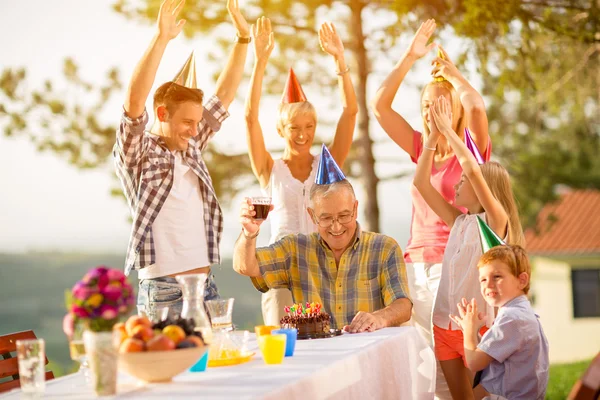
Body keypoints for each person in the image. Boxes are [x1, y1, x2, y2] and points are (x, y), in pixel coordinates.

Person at [371, 18, 491, 398]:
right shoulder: (420, 148)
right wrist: (410, 56)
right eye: (426, 105)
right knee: (426, 359)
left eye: (440, 106)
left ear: (453, 110)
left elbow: (475, 105)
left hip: (453, 266)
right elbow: (379, 106)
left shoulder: (469, 150)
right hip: (416, 265)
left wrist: (453, 76)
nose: (430, 112)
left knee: (455, 356)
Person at [113, 0, 250, 321]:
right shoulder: (140, 153)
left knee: (218, 367)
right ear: (162, 113)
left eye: (197, 121)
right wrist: (161, 39)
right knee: (169, 369)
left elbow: (225, 96)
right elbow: (133, 102)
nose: (195, 129)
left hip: (206, 287)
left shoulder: (189, 146)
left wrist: (243, 41)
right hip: (163, 292)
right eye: (187, 122)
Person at [244, 17, 358, 325]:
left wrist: (340, 60)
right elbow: (250, 117)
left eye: (309, 127)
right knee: (282, 344)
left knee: (324, 340)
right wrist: (260, 62)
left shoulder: (327, 163)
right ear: (282, 129)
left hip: (321, 265)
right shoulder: (270, 168)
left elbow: (350, 112)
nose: (303, 134)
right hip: (279, 267)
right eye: (295, 127)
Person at [413, 95, 524, 399]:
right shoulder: (458, 222)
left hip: (479, 328)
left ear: (479, 189)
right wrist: (433, 137)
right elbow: (421, 183)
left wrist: (450, 131)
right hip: (444, 324)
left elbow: (474, 170)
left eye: (462, 181)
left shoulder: (494, 223)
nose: (456, 186)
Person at [233, 147, 411, 332]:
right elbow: (245, 266)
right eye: (326, 218)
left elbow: (403, 305)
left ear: (356, 208)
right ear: (312, 215)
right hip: (318, 357)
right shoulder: (295, 249)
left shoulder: (384, 248)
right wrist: (249, 233)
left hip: (369, 355)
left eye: (344, 216)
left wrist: (379, 317)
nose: (336, 227)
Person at [450, 246, 549, 400]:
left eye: (496, 276)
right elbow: (486, 357)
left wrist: (469, 331)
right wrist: (473, 330)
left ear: (521, 280)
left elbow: (475, 362)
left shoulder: (512, 318)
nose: (488, 284)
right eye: (483, 279)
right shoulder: (522, 313)